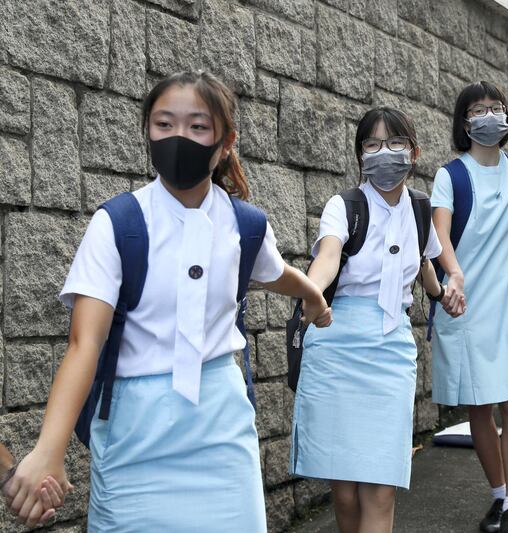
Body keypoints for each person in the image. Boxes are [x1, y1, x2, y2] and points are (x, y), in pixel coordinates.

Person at [2, 71, 330, 531]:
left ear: (226, 141)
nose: (180, 137)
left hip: (221, 428)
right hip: (134, 433)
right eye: (164, 124)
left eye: (198, 127)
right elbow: (84, 344)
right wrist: (48, 452)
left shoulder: (246, 225)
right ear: (147, 133)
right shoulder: (117, 223)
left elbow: (278, 274)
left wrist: (314, 297)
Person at [290, 107, 453, 533]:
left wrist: (443, 294)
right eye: (373, 144)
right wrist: (311, 293)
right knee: (344, 490)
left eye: (395, 143)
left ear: (413, 151)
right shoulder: (344, 206)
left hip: (390, 351)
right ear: (360, 154)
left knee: (380, 486)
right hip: (336, 340)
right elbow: (327, 257)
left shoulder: (421, 208)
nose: (385, 153)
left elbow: (423, 261)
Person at [430, 81, 508, 533]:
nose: (487, 116)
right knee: (479, 407)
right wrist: (454, 273)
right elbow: (439, 234)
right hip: (464, 304)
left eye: (495, 108)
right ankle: (498, 495)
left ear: (506, 116)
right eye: (477, 110)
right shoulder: (452, 175)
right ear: (464, 123)